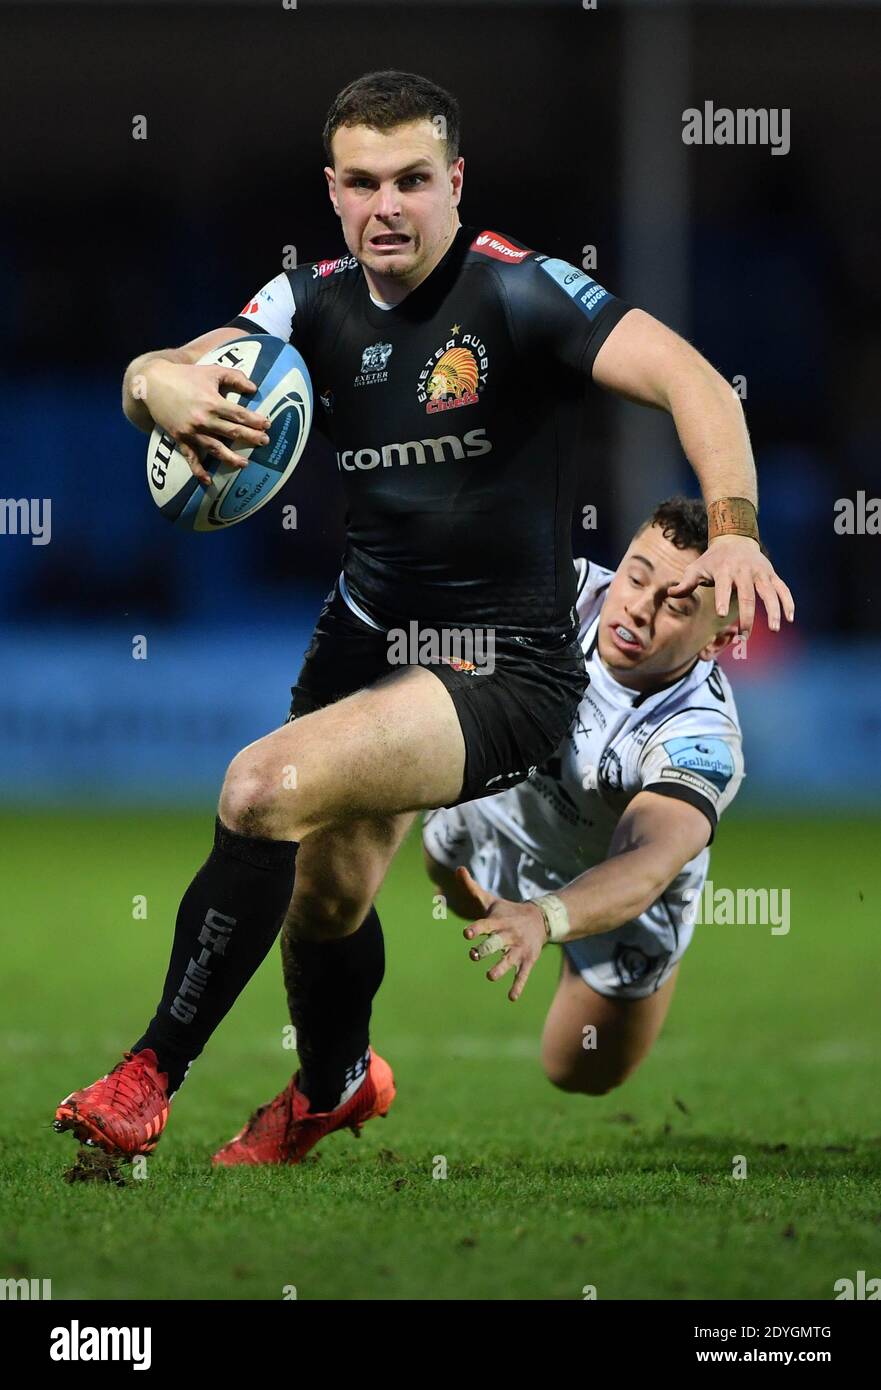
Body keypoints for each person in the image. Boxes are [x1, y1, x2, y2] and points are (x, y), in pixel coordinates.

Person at [54, 70, 792, 1165]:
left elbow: (697, 383)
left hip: (505, 667)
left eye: (410, 179)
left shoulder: (520, 294)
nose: (385, 205)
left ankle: (147, 1075)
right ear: (333, 192)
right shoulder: (305, 301)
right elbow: (165, 372)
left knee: (261, 788)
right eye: (361, 183)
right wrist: (151, 382)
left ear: (454, 182)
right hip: (363, 631)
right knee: (325, 895)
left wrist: (732, 526)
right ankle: (334, 1086)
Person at [424, 496, 743, 1097]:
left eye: (676, 605)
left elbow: (643, 863)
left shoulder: (700, 736)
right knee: (440, 864)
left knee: (575, 1069)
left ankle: (587, 942)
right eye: (636, 576)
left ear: (716, 641)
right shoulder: (558, 596)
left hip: (614, 885)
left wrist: (547, 917)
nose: (639, 610)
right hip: (503, 817)